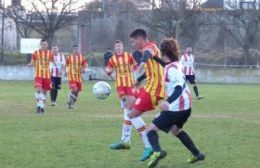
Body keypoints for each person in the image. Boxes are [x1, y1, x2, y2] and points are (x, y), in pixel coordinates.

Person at [146, 38, 205, 168]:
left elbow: (178, 88)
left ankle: (157, 152)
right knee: (175, 130)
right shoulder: (176, 63)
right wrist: (153, 57)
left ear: (164, 52)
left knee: (149, 130)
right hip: (186, 107)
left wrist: (167, 101)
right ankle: (197, 153)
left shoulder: (172, 69)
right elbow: (165, 64)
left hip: (175, 108)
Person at [105, 40, 152, 161]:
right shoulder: (112, 59)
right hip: (120, 87)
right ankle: (126, 140)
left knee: (130, 113)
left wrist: (139, 76)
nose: (119, 48)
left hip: (131, 86)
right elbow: (108, 70)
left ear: (122, 47)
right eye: (117, 46)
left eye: (120, 46)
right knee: (128, 113)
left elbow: (136, 68)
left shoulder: (128, 56)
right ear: (115, 48)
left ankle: (138, 142)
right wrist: (109, 74)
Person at [126, 28, 166, 160]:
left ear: (140, 39)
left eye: (133, 41)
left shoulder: (149, 47)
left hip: (153, 89)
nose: (133, 44)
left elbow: (148, 53)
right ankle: (124, 139)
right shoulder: (150, 48)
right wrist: (138, 79)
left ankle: (150, 146)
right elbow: (152, 69)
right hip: (148, 87)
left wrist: (142, 62)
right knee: (128, 106)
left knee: (132, 114)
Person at [28, 39, 53, 114]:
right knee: (38, 90)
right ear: (40, 45)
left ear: (47, 45)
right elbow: (33, 62)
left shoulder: (50, 53)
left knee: (44, 92)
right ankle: (39, 105)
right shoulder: (36, 53)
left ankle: (41, 107)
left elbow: (52, 62)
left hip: (47, 75)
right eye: (42, 44)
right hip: (38, 74)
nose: (43, 46)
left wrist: (54, 64)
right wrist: (31, 64)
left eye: (44, 44)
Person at [66, 45, 88, 110]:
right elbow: (66, 65)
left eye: (77, 49)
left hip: (78, 77)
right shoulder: (69, 57)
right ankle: (70, 95)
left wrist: (83, 69)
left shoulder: (82, 58)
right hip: (71, 76)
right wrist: (65, 72)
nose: (76, 50)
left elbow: (85, 65)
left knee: (77, 91)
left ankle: (72, 103)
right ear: (73, 50)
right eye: (75, 49)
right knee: (74, 89)